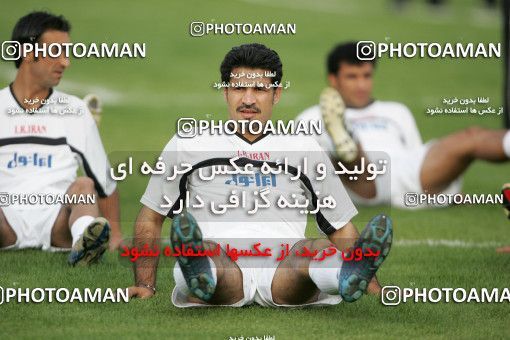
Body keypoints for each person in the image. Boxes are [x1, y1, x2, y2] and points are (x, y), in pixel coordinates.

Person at [127, 43, 393, 307]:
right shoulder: (189, 142)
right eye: (239, 88)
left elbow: (340, 225)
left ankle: (345, 275)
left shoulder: (303, 146)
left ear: (276, 94)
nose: (248, 100)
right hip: (222, 261)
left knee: (315, 250)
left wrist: (374, 288)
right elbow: (150, 217)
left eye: (259, 89)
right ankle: (198, 271)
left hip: (284, 266)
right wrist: (145, 284)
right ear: (225, 92)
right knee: (202, 252)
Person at [296, 41, 510, 208]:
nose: (362, 85)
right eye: (352, 77)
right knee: (347, 159)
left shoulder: (396, 111)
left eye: (367, 76)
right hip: (358, 182)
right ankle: (346, 144)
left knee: (471, 137)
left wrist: (445, 183)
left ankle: (345, 143)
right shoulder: (311, 117)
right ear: (333, 80)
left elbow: (415, 154)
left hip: (407, 174)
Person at [0, 11, 122, 264]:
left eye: (67, 53)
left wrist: (116, 235)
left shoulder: (75, 110)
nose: (65, 62)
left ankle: (84, 242)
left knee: (84, 185)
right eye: (56, 52)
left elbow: (104, 183)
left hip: (59, 224)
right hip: (5, 223)